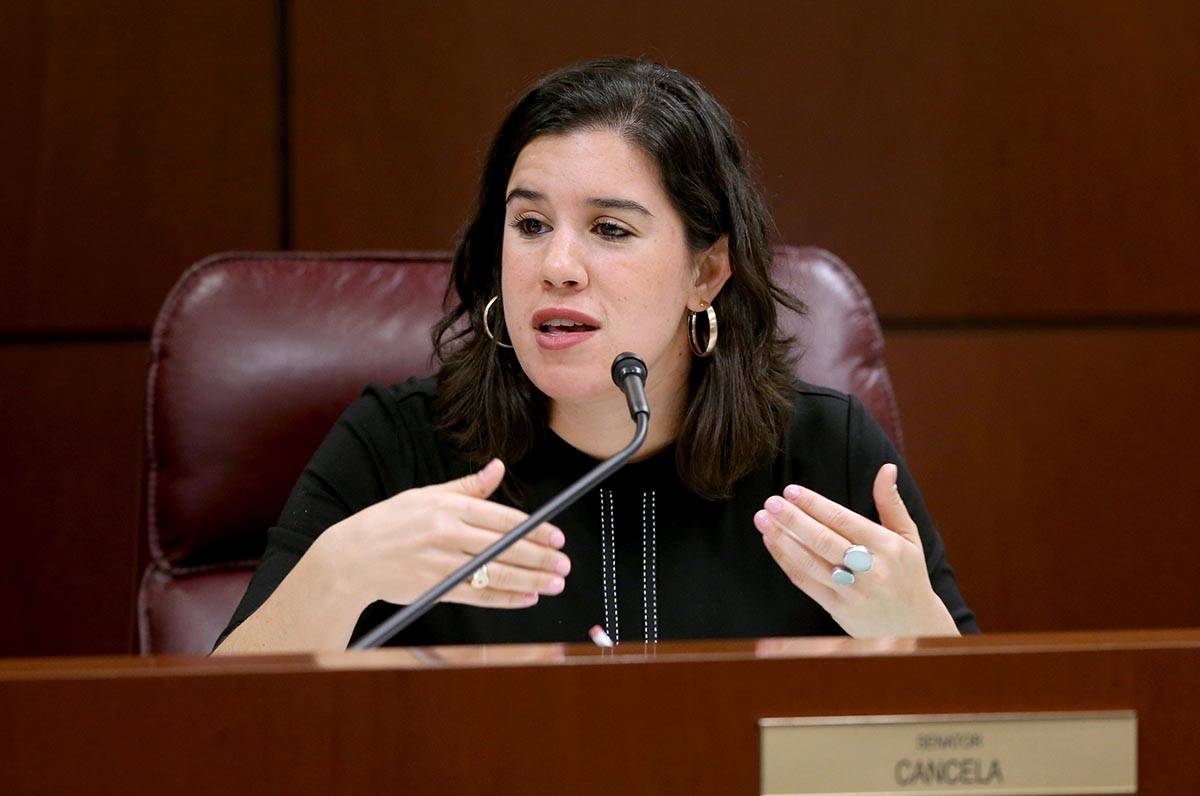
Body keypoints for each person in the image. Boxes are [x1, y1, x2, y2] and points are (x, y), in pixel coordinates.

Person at [213, 58, 977, 654]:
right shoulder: (400, 448)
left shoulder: (823, 457)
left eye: (610, 230)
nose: (557, 266)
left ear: (705, 272)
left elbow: (984, 750)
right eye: (531, 224)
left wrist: (914, 629)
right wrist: (341, 574)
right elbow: (218, 731)